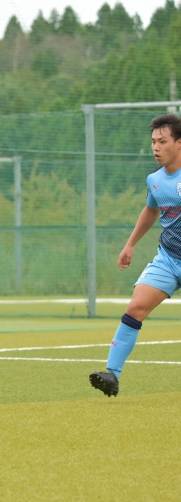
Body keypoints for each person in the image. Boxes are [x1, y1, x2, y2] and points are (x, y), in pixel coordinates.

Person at [90, 113, 181, 397]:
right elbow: (151, 209)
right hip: (169, 258)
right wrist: (130, 244)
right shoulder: (154, 180)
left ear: (179, 143)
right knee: (135, 308)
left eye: (162, 141)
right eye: (153, 141)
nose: (155, 147)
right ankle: (112, 375)